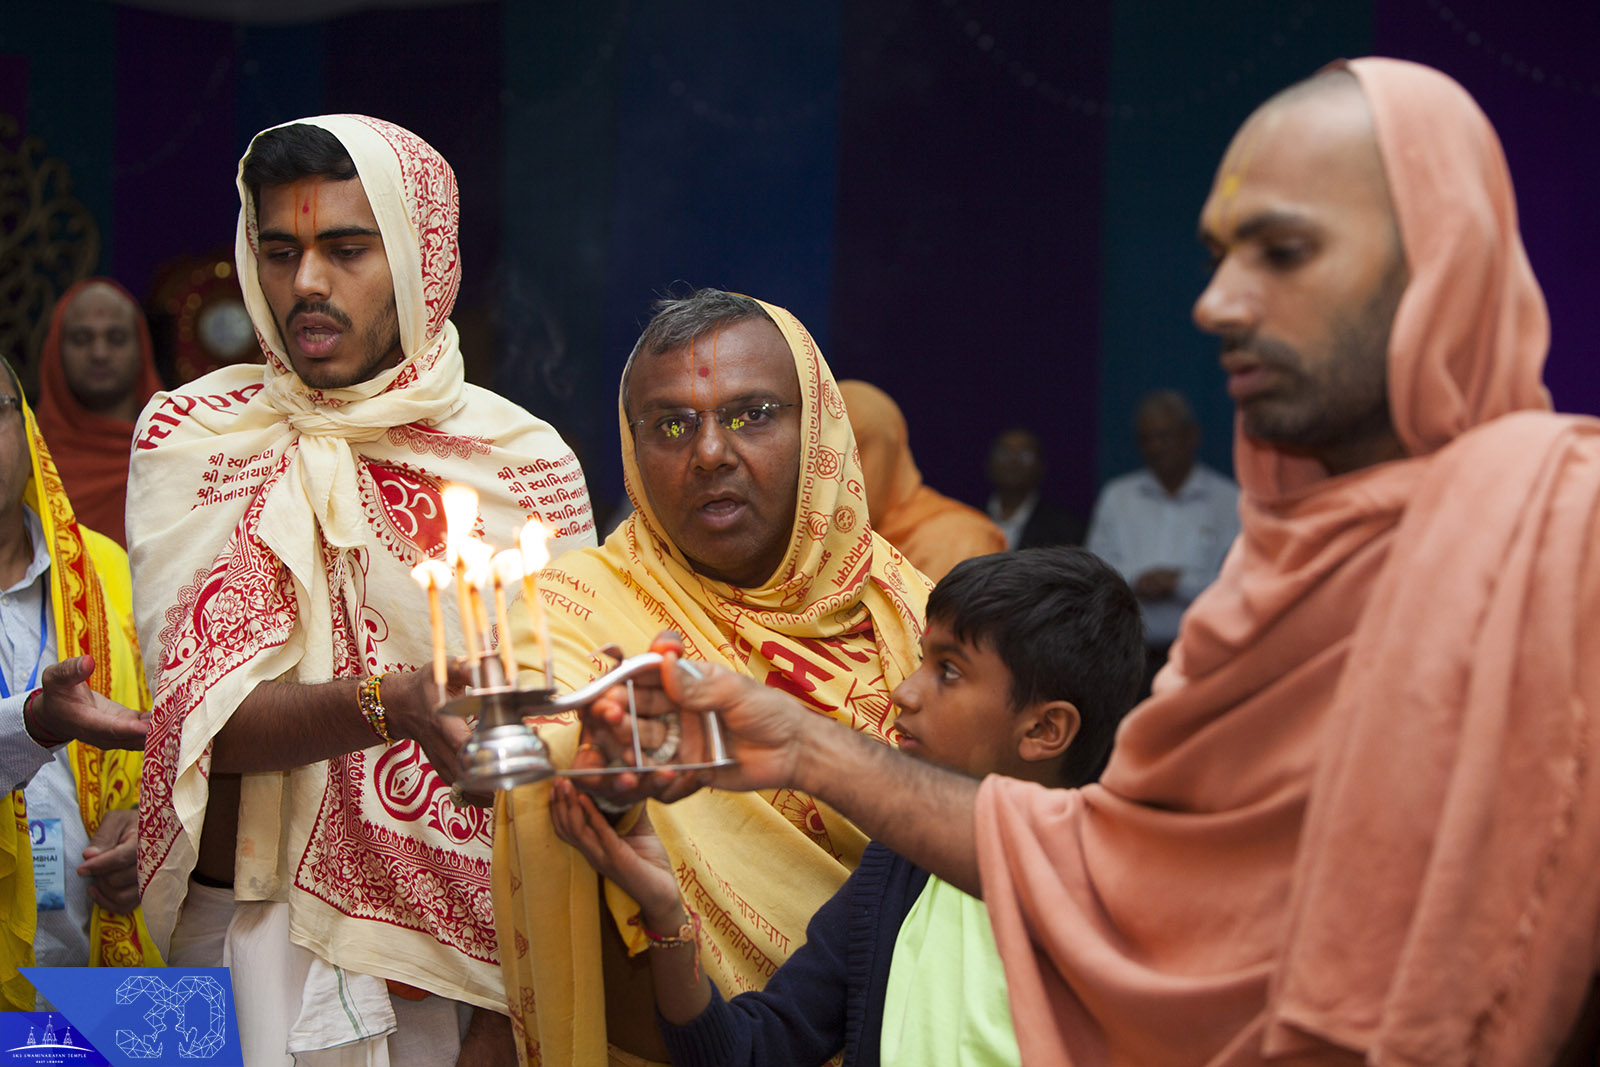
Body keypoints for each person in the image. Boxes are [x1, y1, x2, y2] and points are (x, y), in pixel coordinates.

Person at [586, 59, 1600, 1065]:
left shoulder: (1565, 531)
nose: (1215, 303)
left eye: (1282, 251)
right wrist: (800, 751)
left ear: (1440, 261)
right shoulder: (1257, 598)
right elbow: (1115, 872)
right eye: (1215, 255)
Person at [127, 117, 594, 1066]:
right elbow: (202, 725)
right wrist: (394, 705)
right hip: (234, 942)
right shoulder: (195, 439)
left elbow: (557, 758)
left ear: (420, 256)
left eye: (346, 249)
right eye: (279, 250)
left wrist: (507, 1018)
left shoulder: (521, 464)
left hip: (457, 972)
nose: (306, 284)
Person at [493, 288, 930, 1064]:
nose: (710, 452)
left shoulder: (911, 610)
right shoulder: (573, 602)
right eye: (671, 425)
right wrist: (601, 756)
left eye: (751, 414)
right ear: (631, 448)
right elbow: (548, 730)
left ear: (819, 430)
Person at [553, 547, 1143, 1066]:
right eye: (921, 660)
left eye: (949, 672)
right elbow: (748, 1049)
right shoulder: (901, 865)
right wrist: (663, 912)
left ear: (1044, 730)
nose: (904, 692)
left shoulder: (1122, 896)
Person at [0, 359, 159, 1011]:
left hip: (109, 990)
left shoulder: (105, 569)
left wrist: (148, 830)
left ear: (25, 424)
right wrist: (37, 720)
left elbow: (173, 745)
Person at [1085, 390, 1238, 690]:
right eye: (1146, 438)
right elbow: (1094, 571)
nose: (1155, 447)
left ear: (1191, 435)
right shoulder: (1119, 496)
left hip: (1204, 659)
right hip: (1126, 659)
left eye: (1164, 436)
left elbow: (1238, 584)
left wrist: (1180, 583)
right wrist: (1137, 579)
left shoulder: (1229, 500)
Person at [34, 278, 164, 549]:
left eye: (116, 338)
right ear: (55, 352)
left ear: (142, 348)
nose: (100, 353)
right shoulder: (27, 460)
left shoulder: (176, 450)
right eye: (82, 339)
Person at [840, 379, 1005, 581]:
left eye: (853, 454)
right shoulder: (818, 544)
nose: (835, 477)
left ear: (889, 453)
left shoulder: (958, 539)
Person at [984, 427, 1085, 549]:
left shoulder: (1065, 529)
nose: (1013, 461)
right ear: (989, 463)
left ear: (1041, 467)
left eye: (1025, 455)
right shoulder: (969, 518)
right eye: (1004, 453)